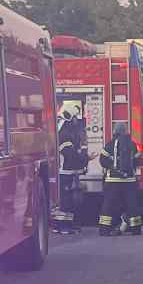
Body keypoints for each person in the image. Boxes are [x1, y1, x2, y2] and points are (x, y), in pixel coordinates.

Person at [98, 121, 142, 236]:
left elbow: (102, 161)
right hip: (129, 181)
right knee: (132, 205)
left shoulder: (109, 144)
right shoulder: (132, 144)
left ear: (115, 131)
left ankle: (104, 229)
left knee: (108, 205)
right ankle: (135, 228)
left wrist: (112, 167)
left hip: (113, 181)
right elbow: (138, 160)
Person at [55, 100, 88, 234]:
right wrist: (85, 159)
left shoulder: (67, 129)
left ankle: (68, 224)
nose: (76, 120)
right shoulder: (64, 132)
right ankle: (62, 226)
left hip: (69, 171)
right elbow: (69, 153)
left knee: (69, 199)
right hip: (64, 171)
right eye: (75, 117)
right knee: (65, 199)